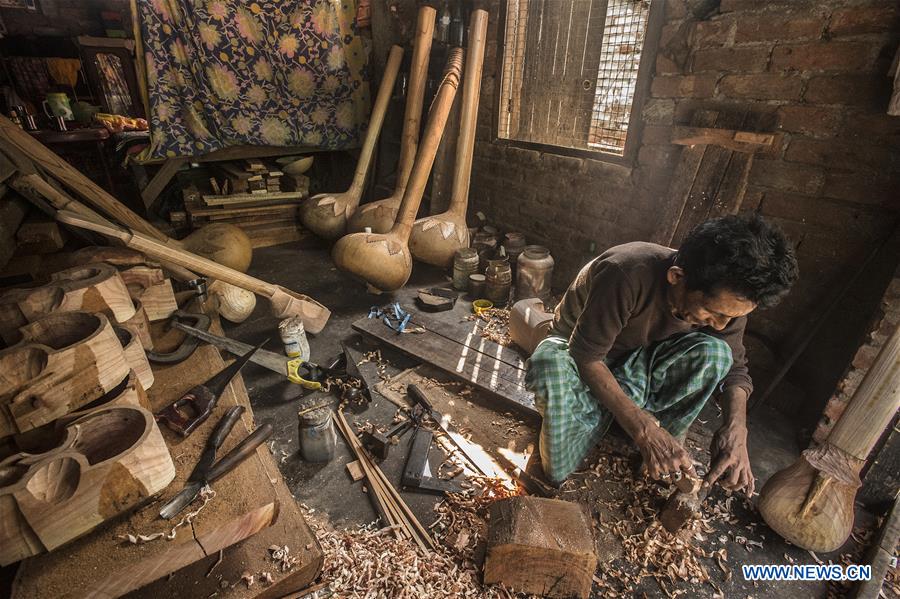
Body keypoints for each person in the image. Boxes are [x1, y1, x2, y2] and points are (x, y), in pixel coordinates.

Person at [525, 214, 798, 494]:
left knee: (716, 354)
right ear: (677, 277)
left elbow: (735, 371)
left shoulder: (729, 303)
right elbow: (586, 356)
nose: (720, 324)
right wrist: (643, 428)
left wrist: (737, 429)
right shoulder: (625, 272)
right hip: (581, 354)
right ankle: (636, 429)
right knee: (548, 365)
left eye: (729, 317)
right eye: (713, 313)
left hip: (638, 363)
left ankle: (648, 438)